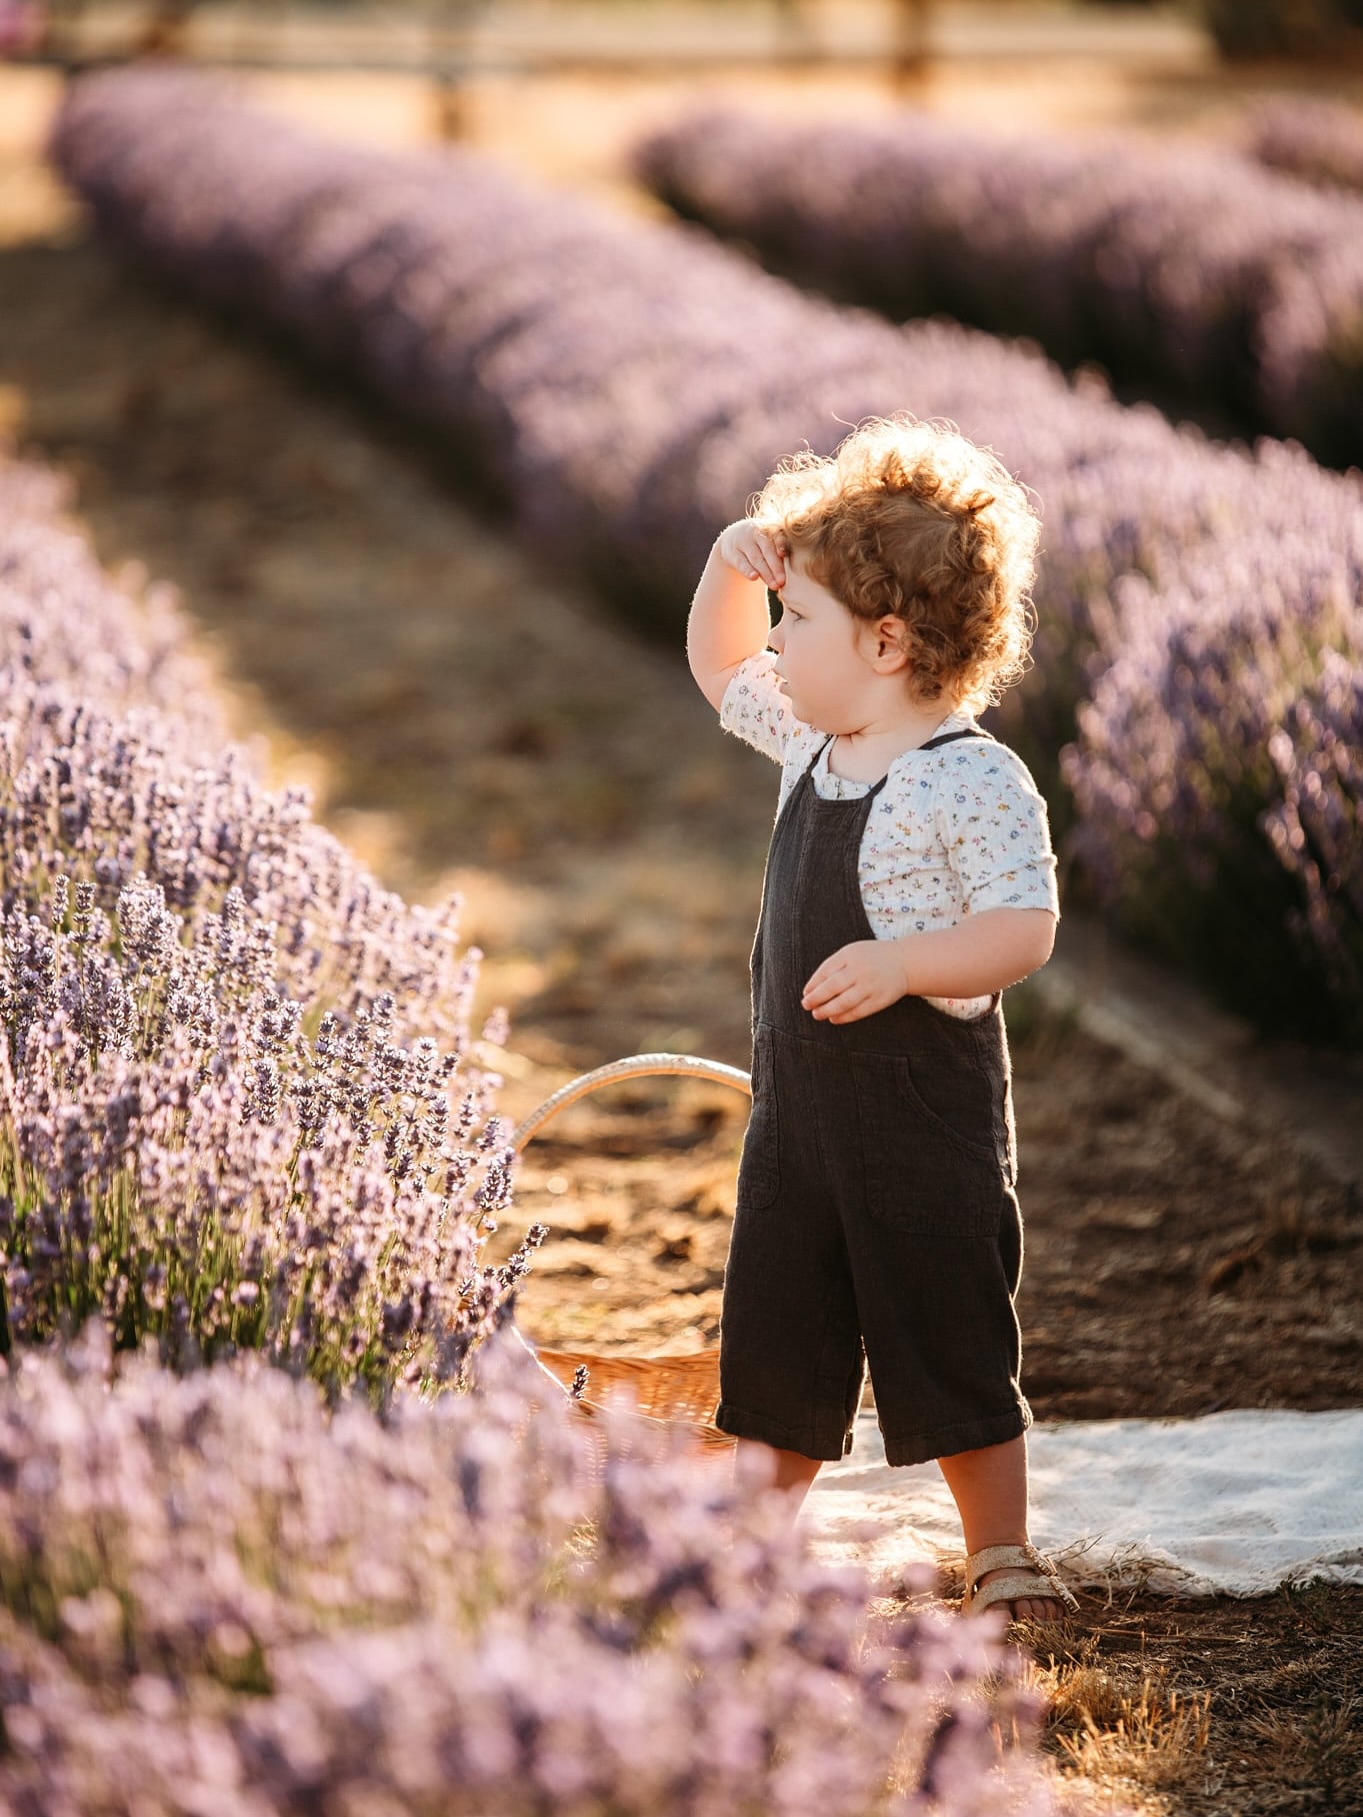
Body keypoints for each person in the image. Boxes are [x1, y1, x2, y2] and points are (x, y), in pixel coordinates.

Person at [687, 414, 1078, 1625]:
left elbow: (1024, 928)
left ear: (888, 640)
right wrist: (727, 568)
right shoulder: (818, 740)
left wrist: (908, 961)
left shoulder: (967, 776)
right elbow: (717, 667)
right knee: (777, 1337)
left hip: (923, 1127)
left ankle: (997, 1546)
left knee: (949, 1327)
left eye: (796, 621)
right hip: (799, 1123)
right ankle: (746, 1544)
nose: (776, 643)